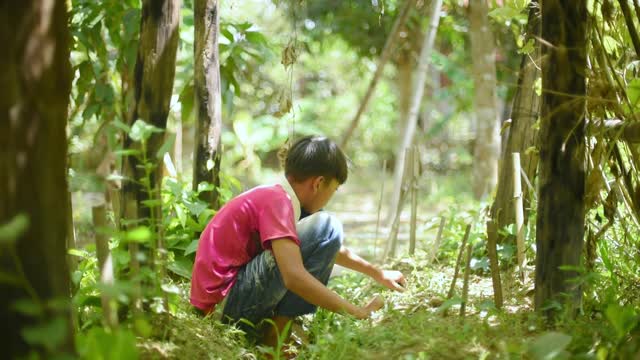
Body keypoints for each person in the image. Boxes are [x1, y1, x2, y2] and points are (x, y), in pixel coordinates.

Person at [190, 135, 406, 347]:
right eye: (334, 189)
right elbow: (293, 276)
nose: (331, 196)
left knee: (325, 229)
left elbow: (324, 245)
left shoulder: (279, 197)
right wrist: (357, 312)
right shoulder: (278, 202)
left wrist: (377, 273)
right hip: (223, 309)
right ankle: (277, 335)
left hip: (225, 303)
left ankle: (277, 328)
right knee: (328, 225)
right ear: (319, 183)